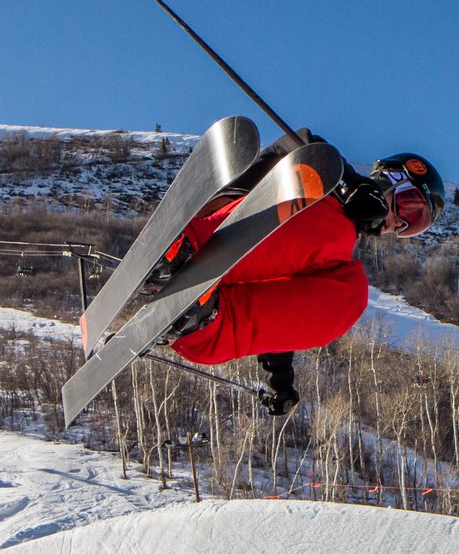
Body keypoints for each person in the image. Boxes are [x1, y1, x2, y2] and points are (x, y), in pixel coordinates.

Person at [152, 133, 444, 415]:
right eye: (408, 208)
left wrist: (280, 378)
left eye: (413, 226)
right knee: (337, 230)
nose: (399, 224)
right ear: (387, 178)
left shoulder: (336, 252)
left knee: (350, 294)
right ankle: (184, 252)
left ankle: (201, 323)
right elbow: (300, 140)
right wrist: (348, 183)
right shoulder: (331, 192)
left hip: (212, 308)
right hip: (217, 227)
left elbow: (285, 300)